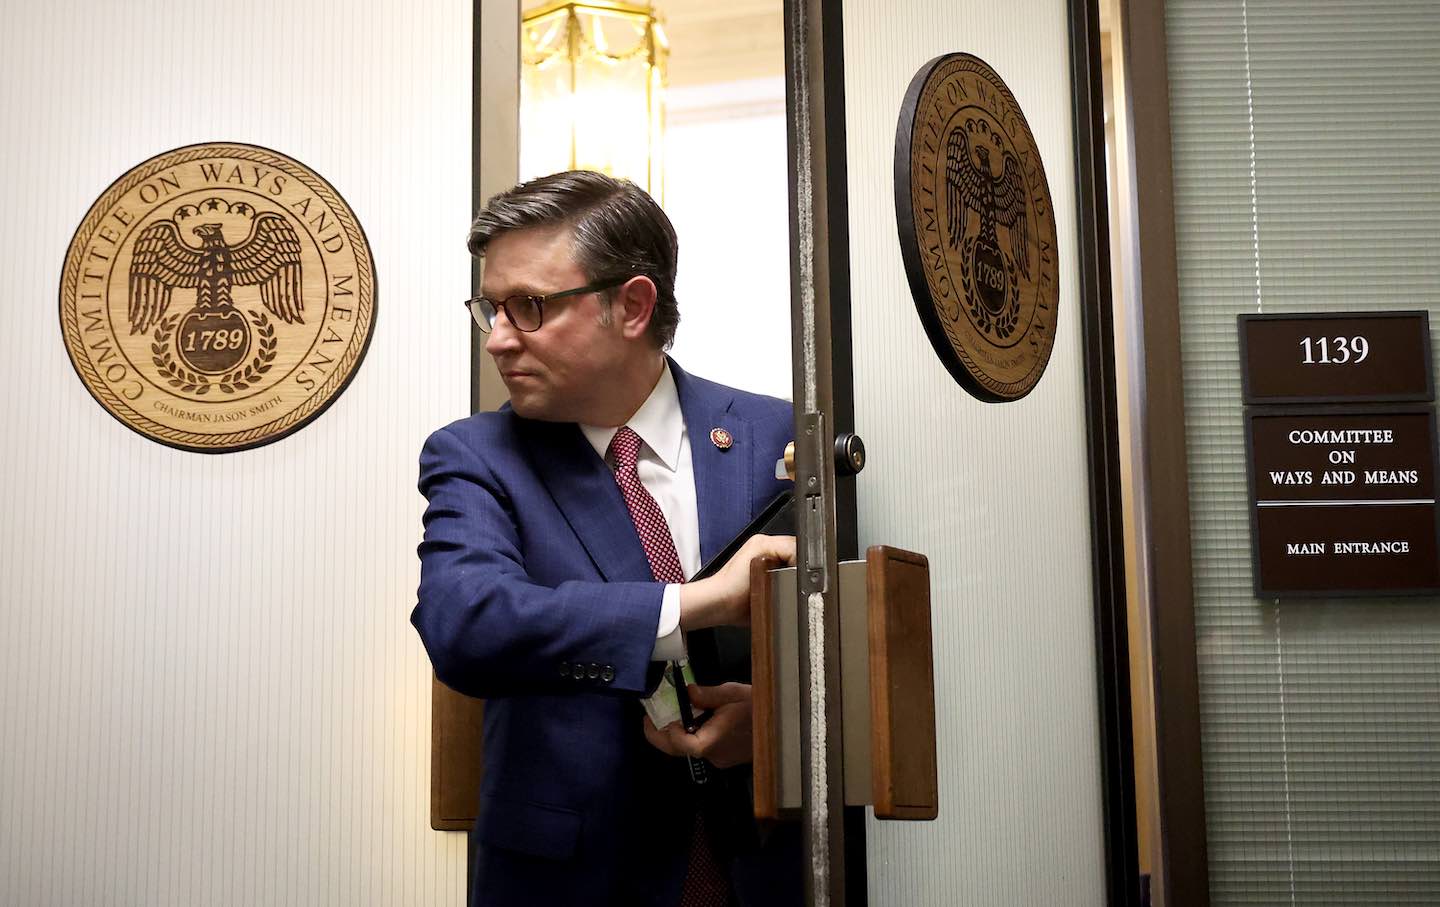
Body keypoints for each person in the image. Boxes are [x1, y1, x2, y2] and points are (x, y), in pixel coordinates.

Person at [412, 170, 800, 906]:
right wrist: (695, 604)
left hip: (765, 868)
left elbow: (850, 642)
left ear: (632, 305)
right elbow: (465, 621)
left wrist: (782, 726)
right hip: (570, 879)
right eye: (490, 308)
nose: (498, 339)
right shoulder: (475, 455)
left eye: (528, 307)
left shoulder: (778, 435)